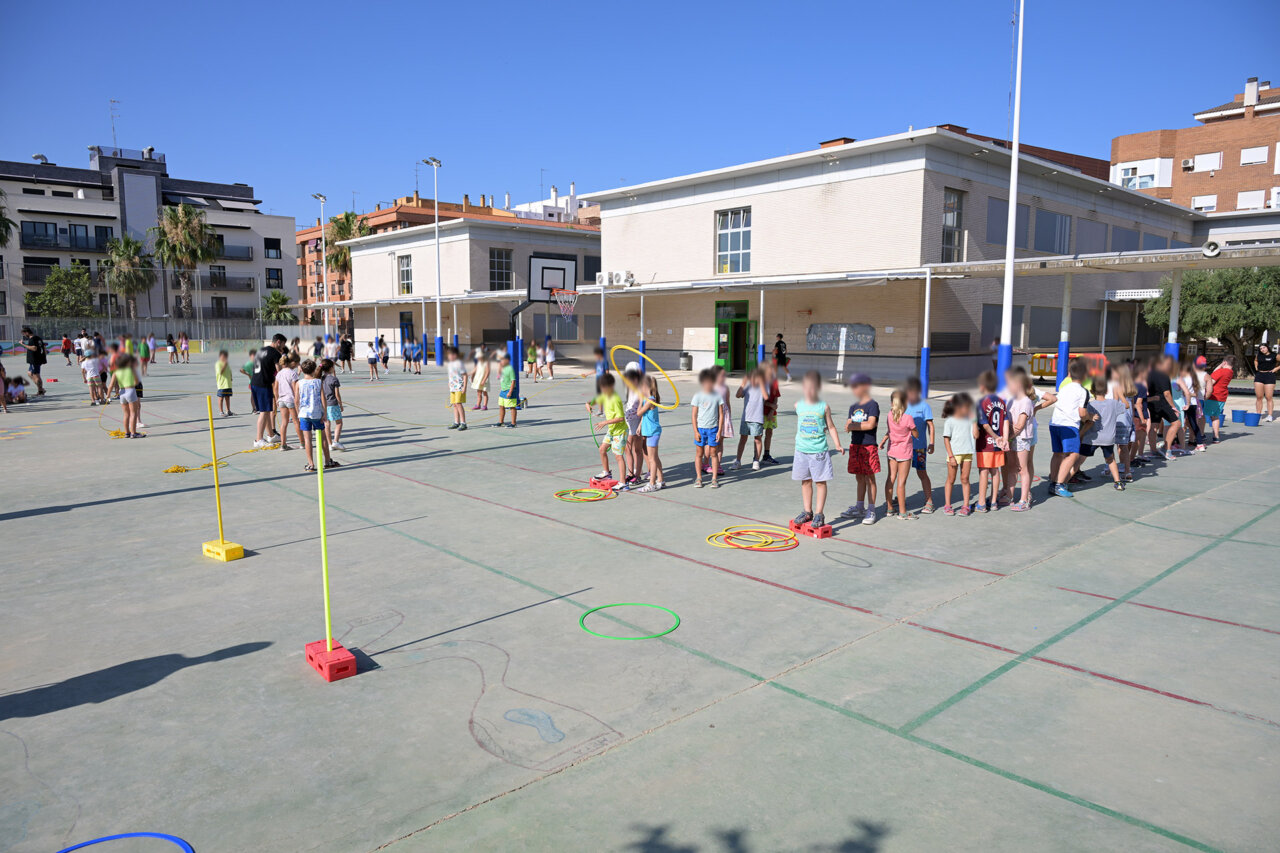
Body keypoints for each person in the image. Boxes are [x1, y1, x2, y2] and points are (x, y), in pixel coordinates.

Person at [791, 371, 843, 529]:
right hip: (801, 450)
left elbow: (831, 427)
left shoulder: (824, 407)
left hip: (818, 451)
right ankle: (808, 512)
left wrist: (837, 444)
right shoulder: (798, 405)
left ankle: (819, 513)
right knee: (805, 481)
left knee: (820, 482)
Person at [839, 373, 880, 525]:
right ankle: (860, 507)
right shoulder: (853, 407)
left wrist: (854, 426)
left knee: (870, 478)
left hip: (869, 446)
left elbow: (870, 424)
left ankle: (871, 509)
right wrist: (856, 426)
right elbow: (847, 426)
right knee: (859, 477)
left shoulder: (872, 405)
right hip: (855, 446)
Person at [1049, 359, 1093, 497]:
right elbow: (1082, 413)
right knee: (1072, 455)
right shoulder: (1083, 391)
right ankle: (1059, 485)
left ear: (1070, 373)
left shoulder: (1063, 388)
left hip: (1055, 423)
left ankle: (1053, 481)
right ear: (1085, 375)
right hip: (1069, 426)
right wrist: (1089, 417)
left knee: (1057, 453)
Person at [880, 389, 919, 520]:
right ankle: (903, 512)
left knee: (890, 478)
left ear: (892, 403)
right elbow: (915, 434)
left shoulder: (889, 415)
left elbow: (890, 431)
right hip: (904, 453)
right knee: (901, 482)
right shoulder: (908, 418)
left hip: (892, 451)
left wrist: (884, 440)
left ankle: (889, 508)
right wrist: (914, 430)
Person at [1081, 376, 1126, 491]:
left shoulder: (1090, 405)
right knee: (1110, 459)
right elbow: (1126, 405)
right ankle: (1118, 481)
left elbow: (1084, 418)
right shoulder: (1113, 403)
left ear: (1092, 391)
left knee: (1080, 458)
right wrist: (1120, 395)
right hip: (1108, 438)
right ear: (1107, 391)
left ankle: (1067, 478)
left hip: (1092, 438)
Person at [974, 371, 1009, 513]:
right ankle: (993, 501)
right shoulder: (1001, 401)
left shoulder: (981, 402)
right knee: (995, 471)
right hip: (998, 444)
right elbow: (1005, 421)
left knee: (984, 472)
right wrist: (1004, 439)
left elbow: (985, 425)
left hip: (986, 443)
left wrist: (995, 437)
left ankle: (982, 502)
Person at [588, 372, 630, 487]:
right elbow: (594, 401)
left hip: (620, 431)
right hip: (612, 430)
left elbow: (621, 418)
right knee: (602, 449)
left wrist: (604, 422)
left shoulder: (615, 399)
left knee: (618, 456)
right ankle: (606, 473)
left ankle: (623, 483)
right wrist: (588, 404)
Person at [296, 359, 338, 471]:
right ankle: (328, 460)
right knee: (323, 438)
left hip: (304, 414)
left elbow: (296, 400)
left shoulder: (299, 383)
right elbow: (323, 398)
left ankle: (311, 463)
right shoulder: (318, 382)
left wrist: (297, 414)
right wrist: (324, 413)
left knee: (307, 439)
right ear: (314, 370)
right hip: (317, 413)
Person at [902, 376, 935, 514]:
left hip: (919, 447)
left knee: (922, 473)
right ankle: (900, 499)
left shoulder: (924, 406)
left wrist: (932, 442)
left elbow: (930, 426)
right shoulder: (903, 405)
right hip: (903, 448)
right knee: (901, 475)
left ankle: (929, 501)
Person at [941, 393, 977, 516]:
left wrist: (974, 422)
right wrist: (951, 456)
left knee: (965, 479)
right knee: (951, 479)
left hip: (967, 453)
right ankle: (947, 505)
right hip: (954, 454)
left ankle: (966, 505)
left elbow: (976, 435)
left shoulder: (970, 419)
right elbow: (946, 439)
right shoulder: (950, 421)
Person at [1006, 371, 1038, 510]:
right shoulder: (1011, 400)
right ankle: (1009, 496)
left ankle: (1024, 500)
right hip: (1012, 438)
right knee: (1012, 467)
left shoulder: (1025, 401)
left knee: (1022, 469)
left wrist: (1006, 438)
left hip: (1021, 439)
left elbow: (1019, 425)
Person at [691, 368, 725, 488]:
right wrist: (695, 431)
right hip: (700, 429)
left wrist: (719, 430)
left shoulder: (717, 396)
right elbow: (694, 415)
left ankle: (714, 479)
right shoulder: (698, 396)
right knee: (699, 453)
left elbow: (721, 414)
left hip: (713, 429)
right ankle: (699, 478)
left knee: (713, 453)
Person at [250, 334, 286, 448]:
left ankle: (271, 435)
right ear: (278, 342)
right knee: (264, 412)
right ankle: (258, 439)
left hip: (255, 382)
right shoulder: (275, 353)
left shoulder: (261, 350)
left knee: (266, 410)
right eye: (283, 344)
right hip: (263, 384)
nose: (283, 347)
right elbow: (279, 372)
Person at [636, 374, 667, 493]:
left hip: (653, 432)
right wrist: (640, 426)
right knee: (655, 457)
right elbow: (644, 416)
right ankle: (661, 480)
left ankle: (652, 483)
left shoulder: (650, 400)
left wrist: (639, 401)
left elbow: (639, 413)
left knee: (652, 459)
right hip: (649, 431)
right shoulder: (647, 399)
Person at [734, 369, 766, 470]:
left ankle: (756, 460)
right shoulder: (747, 386)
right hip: (746, 417)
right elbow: (738, 395)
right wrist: (743, 383)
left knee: (757, 439)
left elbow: (766, 397)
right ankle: (738, 461)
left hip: (757, 418)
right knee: (742, 439)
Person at [105, 353, 143, 437]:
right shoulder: (131, 369)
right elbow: (136, 381)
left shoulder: (116, 371)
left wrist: (108, 395)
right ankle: (133, 433)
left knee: (126, 414)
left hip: (122, 393)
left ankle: (127, 432)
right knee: (133, 413)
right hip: (130, 391)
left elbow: (111, 385)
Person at [622, 363, 645, 486]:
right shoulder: (629, 387)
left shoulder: (642, 389)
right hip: (628, 420)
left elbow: (645, 409)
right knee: (627, 447)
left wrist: (641, 424)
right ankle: (631, 473)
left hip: (637, 421)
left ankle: (637, 475)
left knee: (637, 449)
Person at [1205, 355, 1234, 442]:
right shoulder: (1230, 372)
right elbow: (1215, 373)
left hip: (1213, 395)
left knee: (1201, 415)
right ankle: (1216, 436)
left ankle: (1200, 435)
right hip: (1222, 396)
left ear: (1224, 362)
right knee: (1215, 416)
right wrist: (1221, 365)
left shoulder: (1220, 372)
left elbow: (1211, 381)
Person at [275, 354, 301, 451]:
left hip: (281, 399)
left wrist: (277, 398)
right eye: (297, 363)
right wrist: (298, 399)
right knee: (296, 421)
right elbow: (295, 388)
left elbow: (275, 388)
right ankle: (302, 442)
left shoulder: (279, 373)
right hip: (290, 399)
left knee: (284, 422)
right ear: (292, 362)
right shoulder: (293, 373)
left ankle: (283, 444)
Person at [713, 365, 734, 473]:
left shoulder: (725, 388)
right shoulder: (712, 388)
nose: (724, 377)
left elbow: (728, 402)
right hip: (713, 418)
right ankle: (708, 463)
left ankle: (718, 465)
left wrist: (729, 416)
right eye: (722, 375)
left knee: (720, 442)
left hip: (723, 417)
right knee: (712, 443)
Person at [321, 358, 345, 451]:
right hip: (333, 404)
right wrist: (341, 404)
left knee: (327, 424)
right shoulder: (334, 379)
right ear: (331, 368)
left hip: (324, 404)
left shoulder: (320, 379)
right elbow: (337, 394)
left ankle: (330, 444)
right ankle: (336, 441)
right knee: (339, 423)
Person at [761, 363, 782, 465]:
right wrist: (770, 406)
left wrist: (771, 411)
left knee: (769, 433)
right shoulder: (761, 383)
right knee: (759, 435)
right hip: (761, 413)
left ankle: (766, 455)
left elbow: (776, 397)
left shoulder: (774, 383)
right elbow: (759, 401)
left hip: (771, 414)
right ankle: (756, 457)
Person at [18, 327, 47, 397]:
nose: (24, 336)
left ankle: (40, 391)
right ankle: (41, 389)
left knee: (36, 375)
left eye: (24, 334)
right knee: (29, 373)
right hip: (37, 359)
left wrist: (23, 344)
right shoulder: (38, 338)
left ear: (27, 332)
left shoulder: (32, 339)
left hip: (35, 360)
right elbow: (43, 347)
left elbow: (34, 348)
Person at [445, 346, 468, 430]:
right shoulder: (450, 364)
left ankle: (463, 423)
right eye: (448, 355)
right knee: (454, 405)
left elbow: (465, 375)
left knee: (458, 403)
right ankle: (456, 422)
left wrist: (464, 387)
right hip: (452, 387)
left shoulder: (459, 363)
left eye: (450, 355)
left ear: (455, 355)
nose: (449, 356)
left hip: (459, 386)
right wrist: (449, 383)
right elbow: (451, 375)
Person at [1254, 342, 1276, 421]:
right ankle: (1258, 414)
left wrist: (1276, 369)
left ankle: (1270, 415)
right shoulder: (1259, 355)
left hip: (1269, 376)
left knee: (1268, 397)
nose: (1262, 349)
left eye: (1264, 348)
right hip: (1259, 376)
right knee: (1259, 397)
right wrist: (1256, 367)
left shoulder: (1274, 355)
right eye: (1260, 348)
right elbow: (1256, 360)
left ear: (1267, 347)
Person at [496, 352, 519, 428]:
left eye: (503, 360)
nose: (501, 361)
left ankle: (513, 423)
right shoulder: (503, 368)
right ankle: (501, 422)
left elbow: (513, 381)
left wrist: (510, 392)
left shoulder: (510, 369)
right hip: (503, 390)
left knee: (512, 406)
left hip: (510, 390)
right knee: (501, 406)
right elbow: (498, 376)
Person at [215, 350, 234, 416]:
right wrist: (225, 364)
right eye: (224, 356)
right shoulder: (218, 363)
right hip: (222, 384)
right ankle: (221, 411)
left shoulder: (227, 363)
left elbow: (229, 371)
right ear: (220, 356)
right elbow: (220, 372)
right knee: (221, 398)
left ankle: (228, 410)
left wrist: (231, 377)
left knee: (227, 397)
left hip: (228, 383)